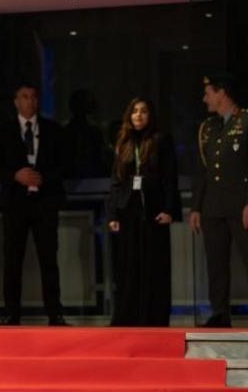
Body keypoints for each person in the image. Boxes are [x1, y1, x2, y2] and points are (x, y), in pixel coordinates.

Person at [0, 83, 68, 326]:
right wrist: (15, 175)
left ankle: (55, 313)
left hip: (45, 203)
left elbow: (66, 165)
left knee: (49, 258)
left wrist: (44, 177)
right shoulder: (4, 131)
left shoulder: (53, 130)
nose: (30, 101)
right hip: (15, 204)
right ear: (16, 101)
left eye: (34, 97)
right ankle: (11, 313)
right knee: (13, 259)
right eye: (24, 97)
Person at [105, 98, 180, 326]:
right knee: (128, 266)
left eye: (143, 111)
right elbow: (116, 181)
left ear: (150, 115)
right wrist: (112, 214)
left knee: (154, 266)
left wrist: (169, 210)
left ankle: (153, 318)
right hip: (128, 211)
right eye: (134, 111)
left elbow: (170, 178)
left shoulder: (161, 140)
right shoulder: (124, 142)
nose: (138, 115)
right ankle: (127, 318)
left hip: (154, 211)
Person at [189, 74, 248, 328]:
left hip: (241, 204)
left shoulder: (245, 121)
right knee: (216, 263)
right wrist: (196, 207)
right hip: (213, 206)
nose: (205, 99)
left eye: (208, 93)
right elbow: (202, 171)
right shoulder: (208, 128)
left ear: (221, 93)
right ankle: (220, 313)